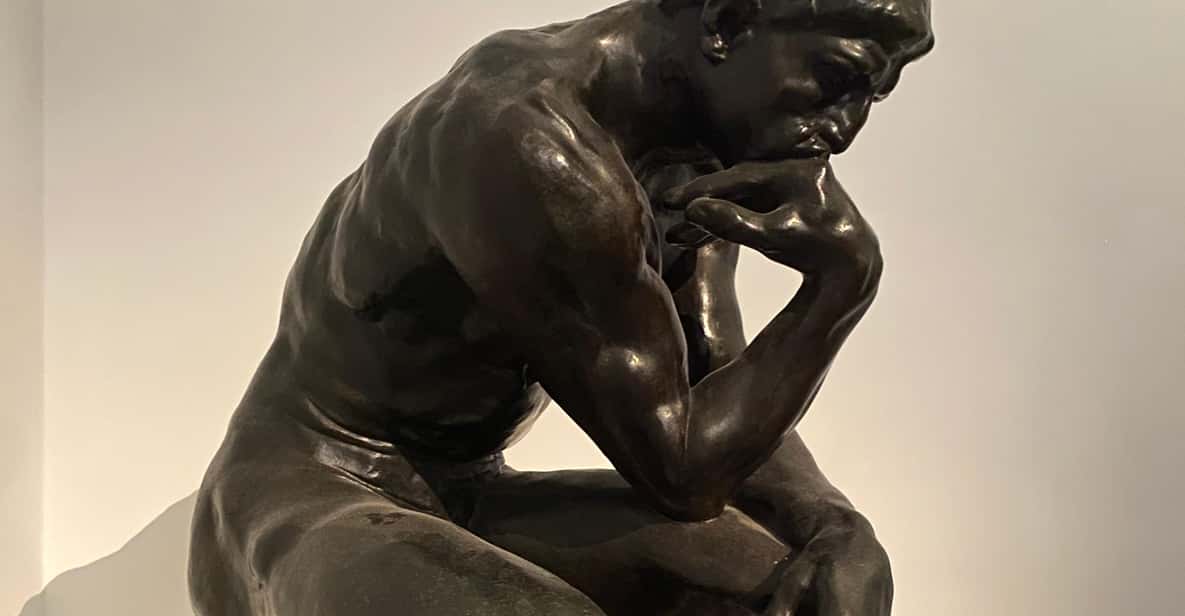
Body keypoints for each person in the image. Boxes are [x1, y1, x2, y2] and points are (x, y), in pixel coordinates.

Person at [188, 1, 933, 614]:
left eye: (872, 97)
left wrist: (831, 524)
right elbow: (682, 468)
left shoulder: (701, 150)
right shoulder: (524, 133)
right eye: (837, 79)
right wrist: (841, 286)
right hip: (311, 486)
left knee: (792, 588)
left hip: (471, 491)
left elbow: (719, 386)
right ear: (727, 22)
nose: (845, 129)